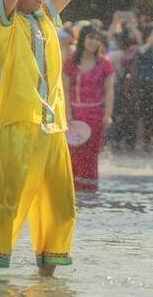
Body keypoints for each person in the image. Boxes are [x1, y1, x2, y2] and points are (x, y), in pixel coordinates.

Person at [0, 0, 84, 278]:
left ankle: (46, 279)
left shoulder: (44, 16)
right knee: (8, 204)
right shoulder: (2, 19)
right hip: (19, 124)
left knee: (62, 209)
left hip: (52, 128)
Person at [62, 25, 115, 192]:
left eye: (97, 39)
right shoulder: (71, 61)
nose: (93, 42)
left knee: (91, 155)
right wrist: (67, 114)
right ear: (83, 39)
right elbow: (64, 89)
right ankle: (71, 190)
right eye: (90, 38)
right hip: (75, 115)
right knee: (73, 154)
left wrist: (108, 115)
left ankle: (89, 190)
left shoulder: (104, 63)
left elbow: (109, 90)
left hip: (95, 115)